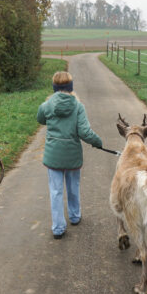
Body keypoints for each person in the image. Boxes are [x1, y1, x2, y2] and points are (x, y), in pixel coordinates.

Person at [37, 71, 102, 239]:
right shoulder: (78, 106)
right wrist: (97, 142)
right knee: (73, 187)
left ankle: (58, 227)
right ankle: (74, 216)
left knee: (55, 191)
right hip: (72, 154)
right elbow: (85, 132)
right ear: (70, 86)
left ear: (54, 87)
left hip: (53, 155)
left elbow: (41, 119)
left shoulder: (46, 106)